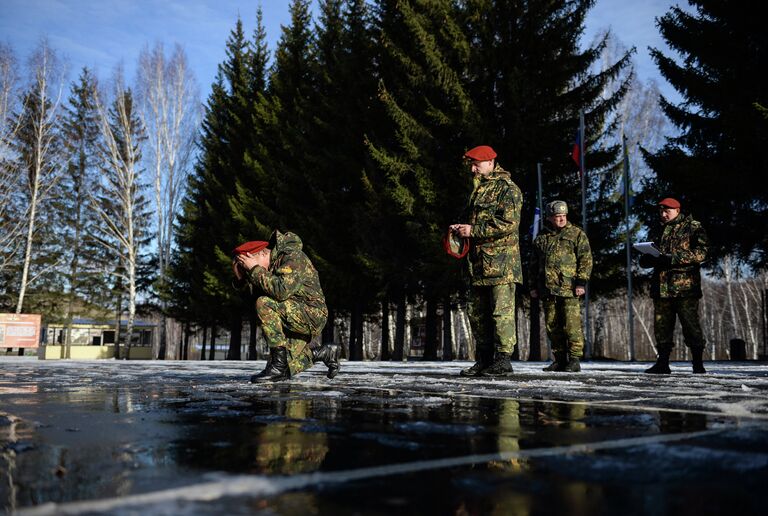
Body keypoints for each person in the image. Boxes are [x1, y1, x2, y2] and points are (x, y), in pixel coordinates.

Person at [449, 145, 522, 377]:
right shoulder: (478, 189)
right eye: (471, 165)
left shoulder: (507, 189)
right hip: (478, 264)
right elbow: (473, 220)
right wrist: (460, 228)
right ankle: (483, 359)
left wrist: (473, 230)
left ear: (490, 162)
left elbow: (508, 224)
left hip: (501, 265)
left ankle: (503, 360)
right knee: (477, 314)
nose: (473, 169)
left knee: (501, 313)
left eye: (476, 165)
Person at [232, 230, 340, 382]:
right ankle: (323, 352)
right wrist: (241, 279)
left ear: (262, 254)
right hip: (290, 315)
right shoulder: (268, 268)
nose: (251, 272)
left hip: (311, 314)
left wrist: (254, 269)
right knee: (285, 372)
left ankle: (278, 365)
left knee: (264, 303)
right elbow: (251, 300)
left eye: (249, 266)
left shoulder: (292, 257)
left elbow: (281, 291)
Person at [639, 197, 709, 374]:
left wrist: (673, 258)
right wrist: (647, 259)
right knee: (661, 326)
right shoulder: (658, 229)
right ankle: (662, 363)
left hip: (684, 287)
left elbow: (702, 253)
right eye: (661, 211)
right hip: (661, 288)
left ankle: (698, 364)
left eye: (667, 211)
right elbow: (654, 253)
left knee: (691, 325)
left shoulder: (692, 227)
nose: (663, 214)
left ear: (677, 210)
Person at [528, 200, 592, 372]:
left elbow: (585, 260)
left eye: (563, 216)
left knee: (572, 325)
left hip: (569, 288)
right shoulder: (541, 238)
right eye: (558, 216)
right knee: (552, 326)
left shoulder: (576, 234)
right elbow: (533, 265)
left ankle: (574, 359)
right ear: (549, 218)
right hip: (547, 289)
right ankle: (560, 359)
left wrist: (581, 282)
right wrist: (533, 286)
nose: (561, 219)